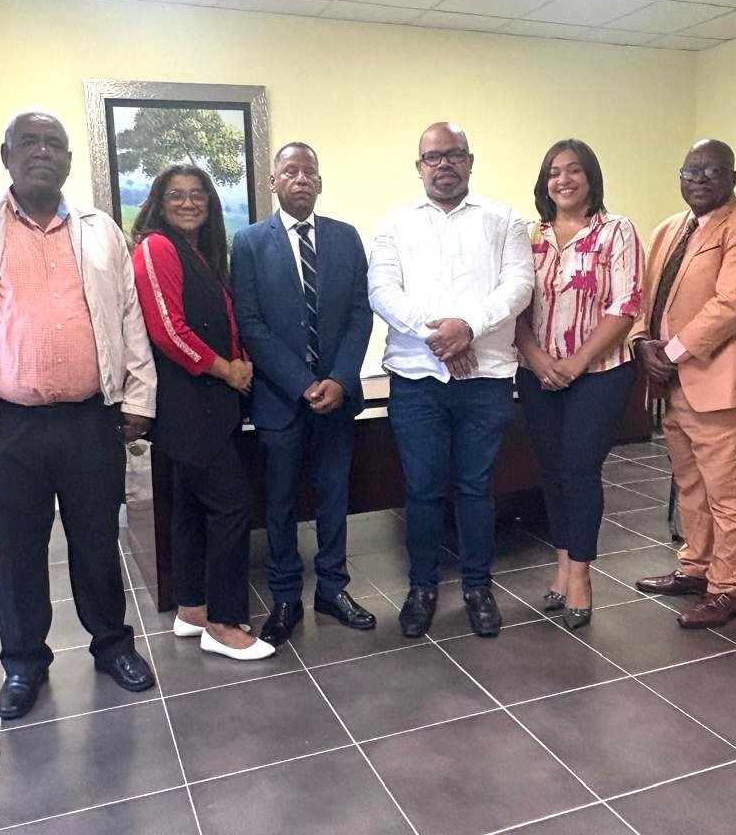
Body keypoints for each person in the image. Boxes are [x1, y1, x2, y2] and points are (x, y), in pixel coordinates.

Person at [0, 110, 158, 721]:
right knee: (16, 552)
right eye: (28, 142)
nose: (42, 152)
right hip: (7, 427)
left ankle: (112, 646)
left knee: (97, 544)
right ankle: (24, 663)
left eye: (53, 143)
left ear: (69, 161)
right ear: (6, 156)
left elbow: (129, 318)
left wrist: (138, 398)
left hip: (90, 420)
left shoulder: (100, 230)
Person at [368, 121, 534, 638]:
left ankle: (478, 587)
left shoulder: (504, 219)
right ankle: (422, 588)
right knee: (421, 489)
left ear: (469, 161)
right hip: (416, 379)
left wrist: (469, 329)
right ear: (419, 167)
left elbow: (518, 285)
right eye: (433, 157)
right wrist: (441, 337)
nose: (444, 164)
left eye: (454, 154)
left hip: (484, 379)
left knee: (476, 487)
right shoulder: (395, 225)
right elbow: (382, 291)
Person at [630, 139, 736, 629]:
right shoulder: (669, 229)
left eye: (711, 171)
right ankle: (695, 568)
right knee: (691, 484)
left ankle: (727, 589)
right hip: (674, 384)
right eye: (689, 171)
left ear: (733, 178)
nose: (698, 179)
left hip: (726, 382)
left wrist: (670, 354)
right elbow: (645, 298)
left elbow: (732, 304)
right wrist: (640, 342)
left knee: (728, 493)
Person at [231, 143, 376, 646]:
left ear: (319, 181)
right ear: (274, 182)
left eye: (308, 171)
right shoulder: (249, 243)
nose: (300, 179)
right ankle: (286, 596)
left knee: (335, 497)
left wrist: (340, 378)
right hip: (281, 400)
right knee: (281, 502)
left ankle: (333, 590)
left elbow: (360, 313)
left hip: (338, 396)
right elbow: (250, 323)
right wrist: (302, 382)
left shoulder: (345, 237)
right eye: (290, 171)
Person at [131, 164, 275, 661]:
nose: (189, 203)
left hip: (212, 403)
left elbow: (221, 320)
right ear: (159, 201)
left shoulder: (199, 254)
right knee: (231, 506)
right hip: (189, 404)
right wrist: (227, 370)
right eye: (177, 194)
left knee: (190, 508)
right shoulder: (157, 248)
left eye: (198, 195)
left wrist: (239, 364)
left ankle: (192, 609)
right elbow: (167, 329)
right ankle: (224, 623)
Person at [514, 140, 644, 629]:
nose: (562, 180)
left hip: (601, 373)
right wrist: (537, 358)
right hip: (538, 373)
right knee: (551, 473)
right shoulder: (529, 235)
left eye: (573, 170)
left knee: (580, 471)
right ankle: (563, 567)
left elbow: (626, 305)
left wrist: (577, 361)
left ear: (591, 178)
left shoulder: (616, 231)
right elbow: (514, 306)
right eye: (553, 172)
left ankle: (582, 577)